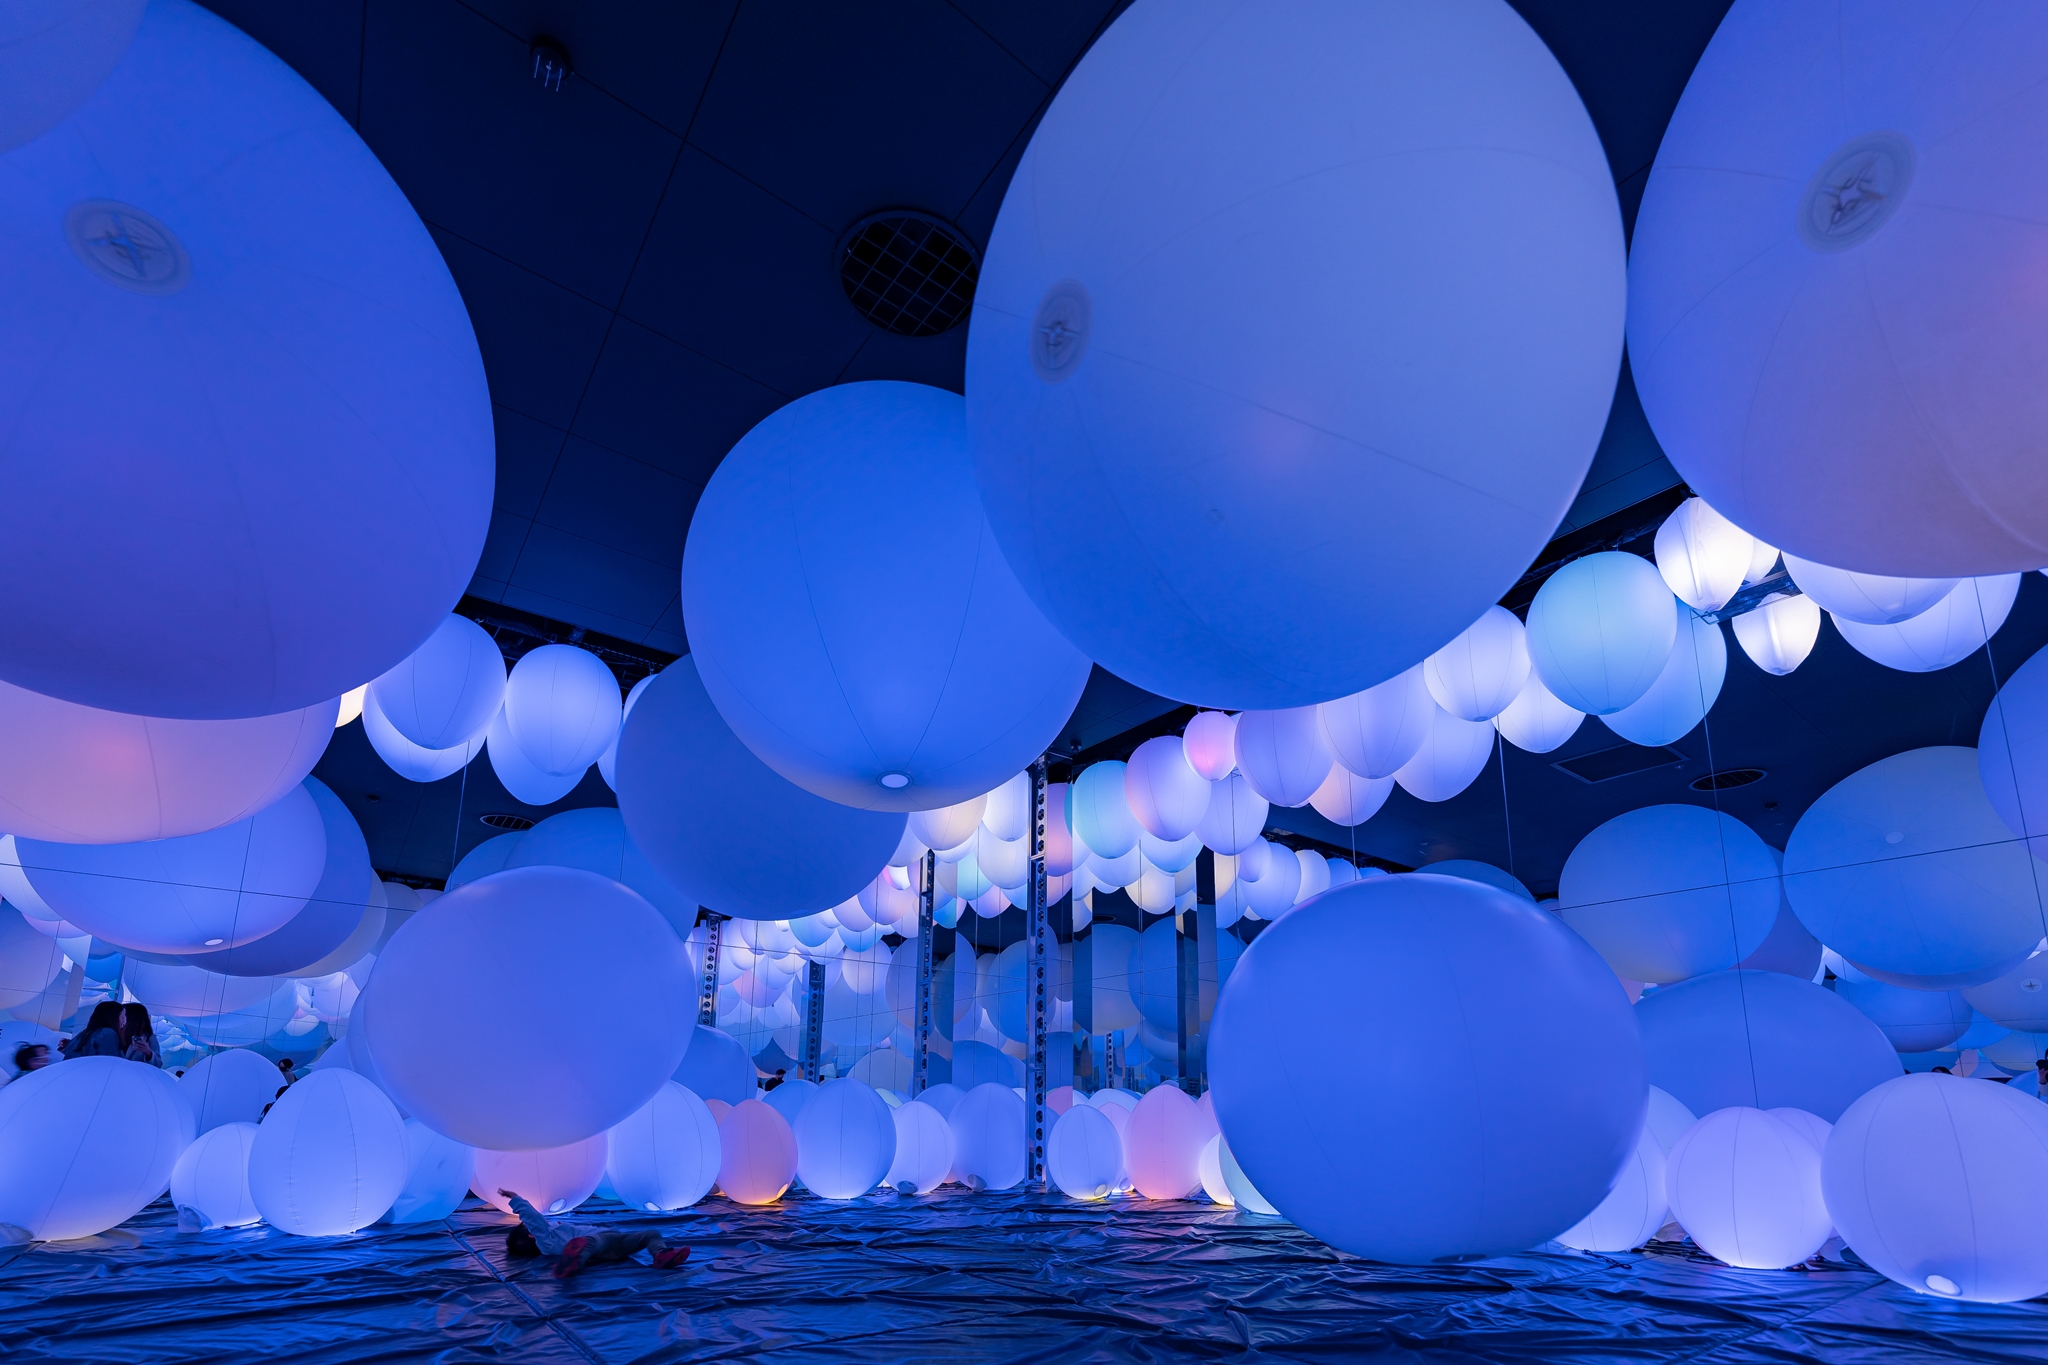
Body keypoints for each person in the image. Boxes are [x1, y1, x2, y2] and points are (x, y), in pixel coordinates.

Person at [498, 1189, 689, 1278]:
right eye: (530, 1228)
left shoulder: (550, 1243)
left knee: (650, 1233)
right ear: (532, 1234)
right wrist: (515, 1198)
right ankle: (574, 1261)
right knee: (588, 1243)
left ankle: (661, 1255)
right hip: (598, 1242)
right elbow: (534, 1219)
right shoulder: (546, 1239)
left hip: (613, 1244)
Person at [60, 1003, 125, 1058]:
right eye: (123, 1015)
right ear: (114, 1016)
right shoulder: (107, 1033)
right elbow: (108, 1060)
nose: (124, 1020)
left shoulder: (87, 1033)